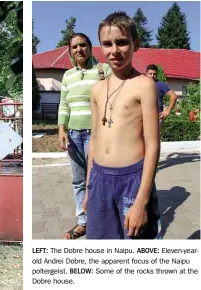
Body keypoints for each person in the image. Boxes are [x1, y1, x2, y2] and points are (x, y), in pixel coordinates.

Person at [84, 11, 162, 239]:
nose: (114, 50)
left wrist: (141, 202)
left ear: (135, 44)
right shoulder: (97, 90)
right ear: (100, 47)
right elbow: (94, 141)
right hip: (99, 179)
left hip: (132, 182)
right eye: (107, 44)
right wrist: (89, 188)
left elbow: (153, 146)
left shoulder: (144, 85)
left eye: (122, 42)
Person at [57, 32, 111, 239]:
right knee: (79, 181)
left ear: (89, 47)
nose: (79, 50)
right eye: (74, 47)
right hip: (73, 135)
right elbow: (63, 104)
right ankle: (84, 222)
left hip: (95, 134)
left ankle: (103, 219)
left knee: (98, 178)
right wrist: (62, 128)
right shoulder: (67, 75)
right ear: (70, 51)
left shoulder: (103, 70)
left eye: (83, 45)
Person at [145, 64, 178, 128]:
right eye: (150, 73)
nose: (152, 76)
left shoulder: (160, 84)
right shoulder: (143, 84)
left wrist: (168, 111)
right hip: (144, 116)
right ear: (146, 73)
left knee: (154, 137)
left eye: (154, 74)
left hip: (157, 117)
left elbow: (174, 96)